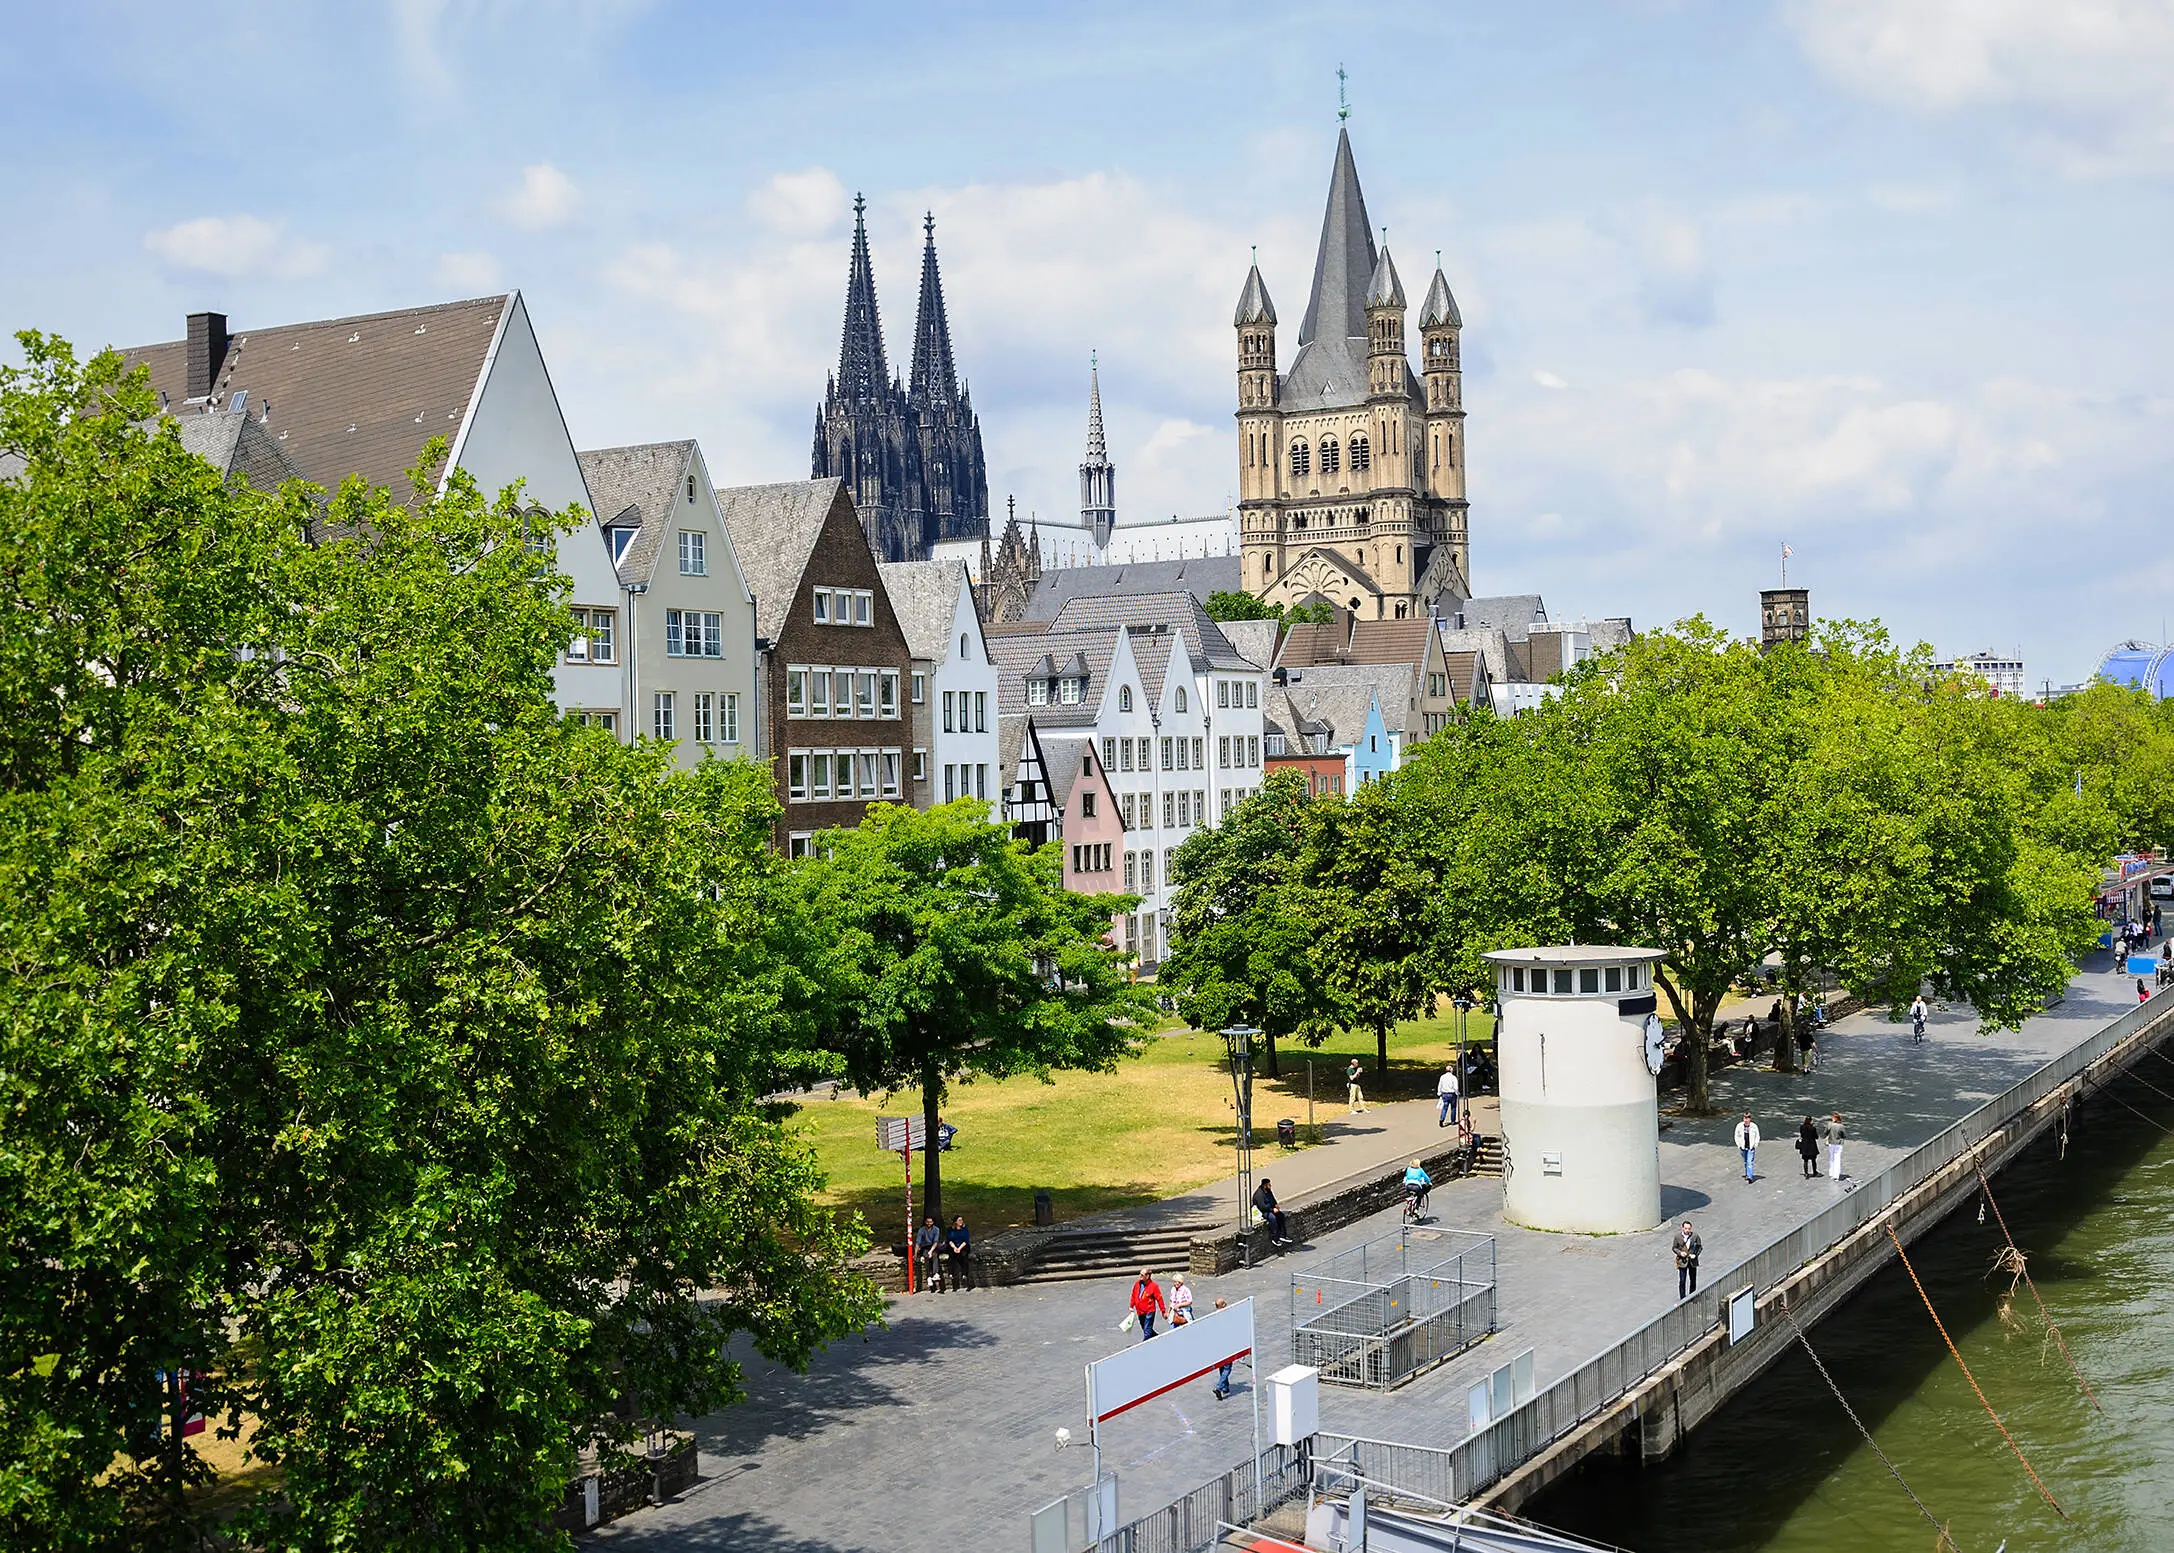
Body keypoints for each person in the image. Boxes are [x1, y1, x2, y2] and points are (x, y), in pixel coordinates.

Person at [1128, 1269, 1167, 1340]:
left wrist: (1163, 1311)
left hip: (1149, 1311)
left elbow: (1159, 1299)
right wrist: (1131, 1306)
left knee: (1147, 1330)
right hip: (1140, 1311)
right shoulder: (1137, 1284)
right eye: (1140, 1274)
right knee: (1145, 1328)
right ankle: (1158, 1338)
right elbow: (1134, 1295)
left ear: (1147, 1276)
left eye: (1142, 1275)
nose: (1140, 1276)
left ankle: (1144, 1345)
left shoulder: (1154, 1286)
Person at [1252, 1178, 1291, 1246]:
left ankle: (1282, 1235)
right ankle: (1274, 1238)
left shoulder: (1268, 1191)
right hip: (1262, 1212)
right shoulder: (1259, 1194)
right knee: (1272, 1218)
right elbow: (1262, 1207)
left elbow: (1272, 1198)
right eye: (1269, 1184)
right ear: (1265, 1185)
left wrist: (1275, 1204)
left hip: (1270, 1208)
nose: (1270, 1186)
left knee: (1281, 1216)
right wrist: (1272, 1209)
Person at [1211, 1298, 1236, 1397]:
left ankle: (1225, 1387)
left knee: (1222, 1366)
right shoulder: (1226, 1317)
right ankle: (1219, 1387)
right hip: (1226, 1346)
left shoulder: (1214, 1317)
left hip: (1217, 1346)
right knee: (1227, 1368)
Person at [1673, 1221, 1702, 1299]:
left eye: (1689, 1228)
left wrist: (1695, 1255)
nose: (1687, 1230)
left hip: (1692, 1261)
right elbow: (1674, 1248)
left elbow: (1699, 1247)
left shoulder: (1695, 1236)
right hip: (1683, 1261)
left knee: (1693, 1279)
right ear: (1682, 1228)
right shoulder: (1677, 1237)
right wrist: (1680, 1253)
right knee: (1682, 1280)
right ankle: (1682, 1298)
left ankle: (1692, 1296)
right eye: (1685, 1228)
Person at [943, 1214, 972, 1291]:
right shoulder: (950, 1230)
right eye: (959, 1220)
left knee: (963, 1256)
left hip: (963, 1246)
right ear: (955, 1222)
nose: (961, 1222)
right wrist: (955, 1247)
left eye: (962, 1220)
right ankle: (951, 1274)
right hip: (953, 1246)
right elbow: (949, 1240)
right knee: (951, 1257)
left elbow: (966, 1241)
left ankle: (964, 1274)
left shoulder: (965, 1229)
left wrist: (959, 1248)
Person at [913, 1214, 942, 1291]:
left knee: (934, 1255)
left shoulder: (936, 1229)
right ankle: (929, 1276)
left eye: (931, 1222)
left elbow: (936, 1242)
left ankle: (935, 1273)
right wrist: (915, 1254)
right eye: (927, 1222)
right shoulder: (922, 1230)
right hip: (925, 1247)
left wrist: (931, 1251)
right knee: (926, 1257)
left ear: (933, 1222)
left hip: (933, 1246)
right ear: (925, 1222)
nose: (929, 1223)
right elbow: (918, 1242)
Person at [1733, 1113, 1760, 1183]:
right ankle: (1747, 1174)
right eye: (1745, 1118)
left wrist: (1755, 1144)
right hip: (1743, 1147)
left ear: (1750, 1119)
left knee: (1750, 1162)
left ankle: (1750, 1177)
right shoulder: (1739, 1126)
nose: (1746, 1120)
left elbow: (1757, 1136)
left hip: (1751, 1147)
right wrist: (1738, 1144)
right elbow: (1736, 1135)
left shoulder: (1754, 1126)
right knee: (1746, 1161)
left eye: (1747, 1118)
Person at [1821, 1112, 1847, 1181]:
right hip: (1838, 1144)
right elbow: (1844, 1135)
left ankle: (1831, 1173)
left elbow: (1825, 1133)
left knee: (1831, 1158)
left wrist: (1824, 1137)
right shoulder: (1841, 1126)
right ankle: (1836, 1175)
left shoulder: (1830, 1125)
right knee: (1837, 1159)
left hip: (1831, 1143)